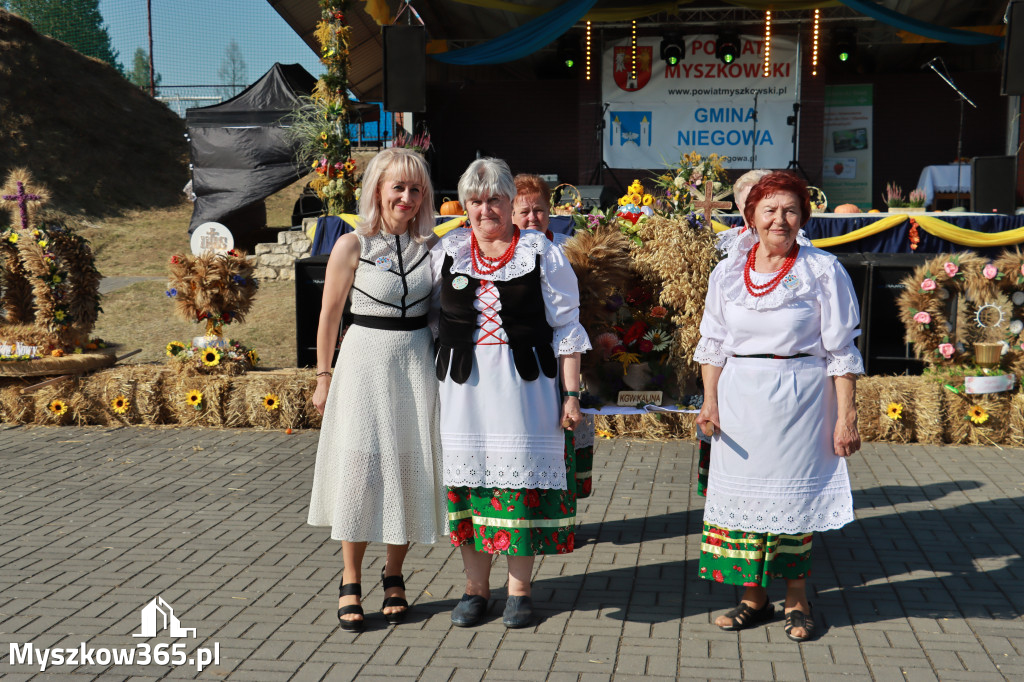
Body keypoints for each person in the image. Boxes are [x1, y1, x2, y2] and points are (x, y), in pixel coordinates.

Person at [693, 170, 862, 643]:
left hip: (801, 399)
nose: (780, 220)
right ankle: (752, 598)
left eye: (790, 210)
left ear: (803, 217)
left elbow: (842, 351)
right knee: (742, 504)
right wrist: (709, 402)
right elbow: (713, 344)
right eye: (770, 210)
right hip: (740, 398)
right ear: (751, 216)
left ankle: (797, 600)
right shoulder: (727, 271)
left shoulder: (822, 270)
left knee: (791, 501)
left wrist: (845, 418)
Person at [433, 158, 591, 629]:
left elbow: (567, 327)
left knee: (518, 486)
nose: (486, 210)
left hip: (525, 389)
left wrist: (570, 395)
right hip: (463, 391)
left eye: (495, 200)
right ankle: (475, 590)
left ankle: (519, 591)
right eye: (476, 201)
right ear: (464, 206)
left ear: (510, 203)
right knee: (471, 485)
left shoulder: (541, 253)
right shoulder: (448, 250)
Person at [307, 148, 445, 632]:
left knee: (408, 467)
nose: (407, 197)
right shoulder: (353, 245)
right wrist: (323, 377)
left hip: (415, 365)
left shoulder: (433, 248)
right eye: (398, 188)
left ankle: (394, 574)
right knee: (361, 469)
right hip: (364, 364)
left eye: (415, 189)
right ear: (378, 190)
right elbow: (328, 316)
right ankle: (349, 578)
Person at [513, 173, 594, 499]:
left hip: (567, 353)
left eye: (540, 210)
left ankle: (561, 511)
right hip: (526, 359)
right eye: (524, 211)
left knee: (567, 431)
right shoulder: (506, 252)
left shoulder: (568, 249)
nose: (533, 217)